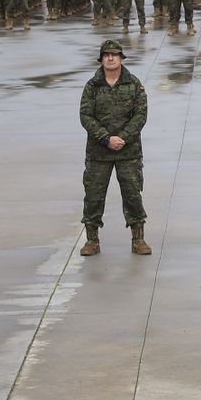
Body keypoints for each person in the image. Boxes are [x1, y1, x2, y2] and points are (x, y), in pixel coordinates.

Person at [78, 40, 150, 257]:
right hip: (99, 153)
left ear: (121, 58)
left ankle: (138, 239)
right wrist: (106, 139)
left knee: (132, 194)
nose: (110, 58)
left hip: (128, 152)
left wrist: (123, 138)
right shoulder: (92, 86)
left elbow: (140, 115)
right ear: (101, 59)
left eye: (115, 54)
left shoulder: (133, 84)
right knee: (93, 196)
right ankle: (92, 240)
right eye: (106, 55)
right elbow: (86, 116)